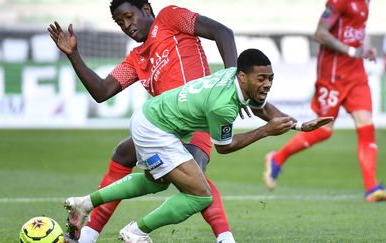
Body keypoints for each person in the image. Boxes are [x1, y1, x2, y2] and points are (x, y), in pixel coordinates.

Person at [64, 48, 333, 242]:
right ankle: (136, 231)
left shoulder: (234, 77)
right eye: (261, 78)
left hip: (152, 118)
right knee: (200, 195)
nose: (267, 84)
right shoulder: (223, 105)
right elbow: (224, 147)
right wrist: (265, 132)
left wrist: (299, 125)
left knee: (155, 182)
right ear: (243, 77)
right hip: (156, 128)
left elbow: (261, 106)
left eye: (270, 78)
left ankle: (85, 203)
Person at [47, 1, 248, 242]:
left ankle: (223, 238)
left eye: (129, 17)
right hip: (162, 128)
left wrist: (232, 84)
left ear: (145, 9)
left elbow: (222, 33)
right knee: (125, 154)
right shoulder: (136, 59)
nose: (127, 25)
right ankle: (89, 236)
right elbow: (101, 91)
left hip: (195, 123)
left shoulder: (170, 18)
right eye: (120, 23)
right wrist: (74, 55)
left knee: (194, 186)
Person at [263, 0, 386, 203]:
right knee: (323, 131)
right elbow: (320, 33)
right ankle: (277, 158)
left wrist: (364, 48)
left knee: (366, 127)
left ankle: (371, 188)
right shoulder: (339, 2)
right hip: (333, 76)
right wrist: (351, 51)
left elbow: (352, 33)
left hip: (356, 75)